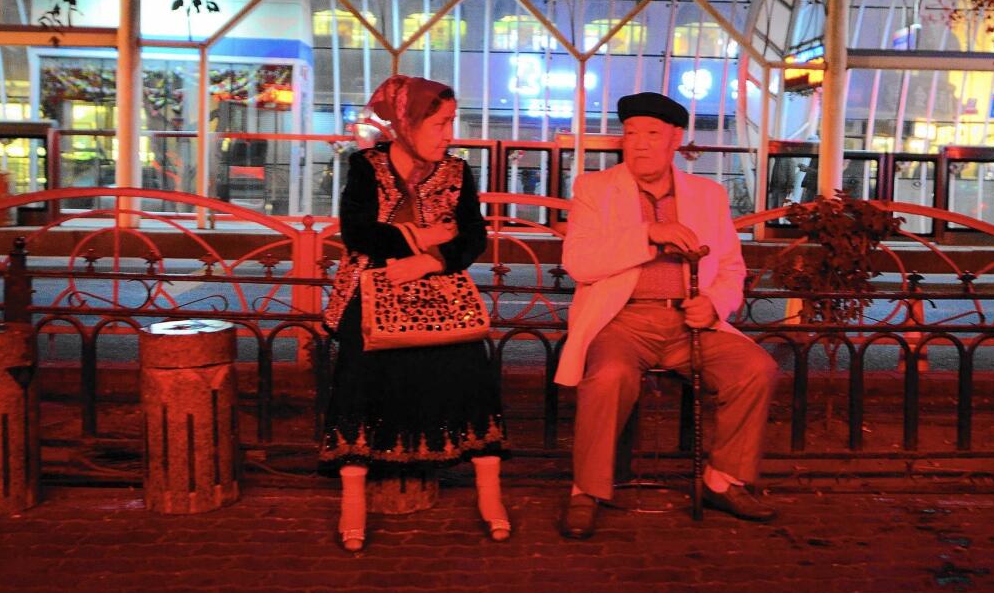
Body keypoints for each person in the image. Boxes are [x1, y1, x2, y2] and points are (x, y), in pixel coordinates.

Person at [555, 91, 779, 539]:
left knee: (756, 368)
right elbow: (579, 262)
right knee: (609, 376)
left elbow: (732, 268)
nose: (637, 143)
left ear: (675, 139)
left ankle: (722, 479)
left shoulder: (707, 195)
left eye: (651, 134)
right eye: (630, 133)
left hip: (689, 322)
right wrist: (650, 234)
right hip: (621, 321)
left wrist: (713, 303)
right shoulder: (595, 189)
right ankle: (587, 490)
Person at [319, 75, 509, 552]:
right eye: (441, 123)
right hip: (369, 290)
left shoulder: (458, 172)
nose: (450, 135)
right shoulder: (364, 166)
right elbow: (359, 234)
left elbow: (470, 238)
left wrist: (426, 261)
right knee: (361, 372)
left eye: (451, 123)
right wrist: (426, 236)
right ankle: (353, 498)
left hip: (438, 290)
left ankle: (490, 493)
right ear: (408, 123)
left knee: (471, 367)